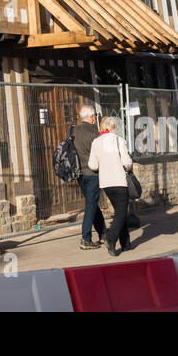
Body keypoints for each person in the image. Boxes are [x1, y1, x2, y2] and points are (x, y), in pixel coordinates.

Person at [88, 116, 134, 257]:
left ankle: (125, 243)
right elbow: (126, 162)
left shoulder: (96, 142)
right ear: (112, 127)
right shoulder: (119, 141)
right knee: (121, 213)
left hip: (106, 183)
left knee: (120, 211)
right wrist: (128, 165)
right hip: (119, 180)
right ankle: (111, 237)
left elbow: (93, 165)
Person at [70, 105, 106, 251]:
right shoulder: (94, 133)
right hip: (92, 173)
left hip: (80, 174)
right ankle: (86, 238)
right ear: (91, 117)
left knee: (92, 203)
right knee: (91, 205)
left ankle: (103, 232)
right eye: (95, 116)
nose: (95, 118)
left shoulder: (74, 131)